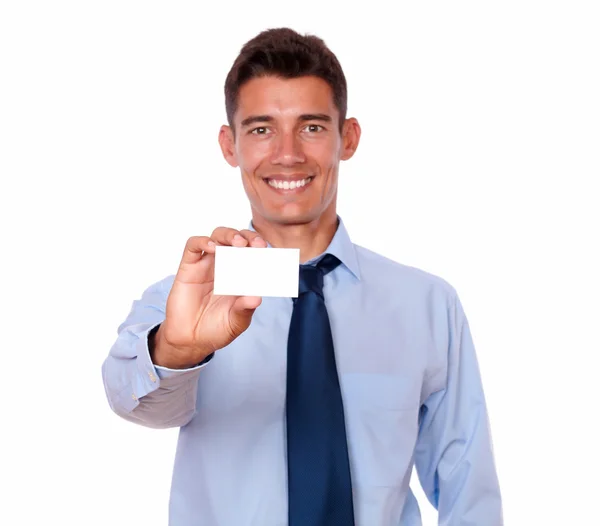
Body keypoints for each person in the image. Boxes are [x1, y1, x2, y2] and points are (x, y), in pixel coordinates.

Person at [101, 27, 503, 526]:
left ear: (348, 137)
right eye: (261, 129)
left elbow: (469, 491)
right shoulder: (190, 298)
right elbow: (132, 401)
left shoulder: (427, 304)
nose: (287, 154)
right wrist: (179, 351)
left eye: (311, 127)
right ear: (230, 145)